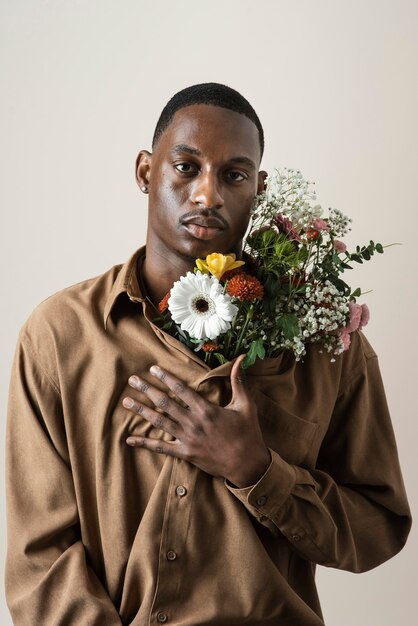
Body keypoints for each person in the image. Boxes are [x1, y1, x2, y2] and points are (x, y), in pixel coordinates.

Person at [5, 83, 411, 625]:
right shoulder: (60, 336)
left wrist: (259, 471)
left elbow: (378, 527)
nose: (207, 195)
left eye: (234, 175)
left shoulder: (326, 344)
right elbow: (40, 560)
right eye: (187, 167)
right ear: (147, 172)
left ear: (259, 189)